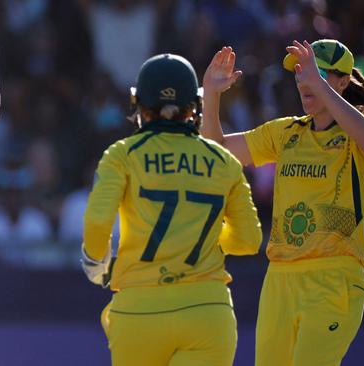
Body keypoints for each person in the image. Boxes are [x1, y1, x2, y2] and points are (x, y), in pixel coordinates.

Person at [201, 40, 364, 366]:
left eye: (316, 73)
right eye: (300, 73)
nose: (304, 81)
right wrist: (212, 94)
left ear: (344, 82)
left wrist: (320, 85)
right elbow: (216, 150)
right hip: (279, 280)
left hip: (334, 278)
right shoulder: (287, 132)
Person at [81, 53, 262, 366]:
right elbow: (248, 241)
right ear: (194, 106)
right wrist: (201, 234)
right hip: (207, 311)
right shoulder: (224, 162)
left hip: (139, 311)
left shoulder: (122, 154)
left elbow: (98, 221)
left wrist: (95, 261)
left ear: (139, 103)